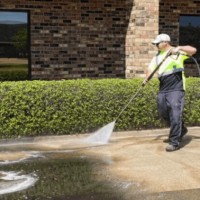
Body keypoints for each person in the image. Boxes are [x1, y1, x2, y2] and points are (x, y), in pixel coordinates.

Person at [146, 33, 197, 152]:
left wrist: (180, 48)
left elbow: (193, 50)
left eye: (157, 43)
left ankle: (175, 141)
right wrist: (147, 77)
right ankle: (181, 129)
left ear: (165, 42)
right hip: (163, 87)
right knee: (163, 112)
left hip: (176, 88)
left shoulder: (177, 53)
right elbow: (150, 69)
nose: (156, 45)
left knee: (175, 113)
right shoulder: (157, 57)